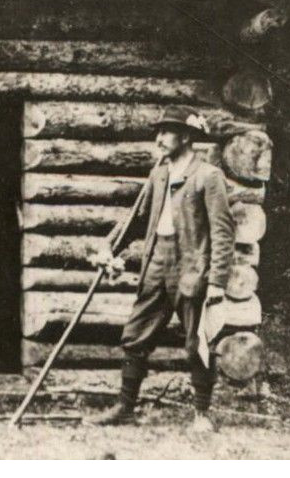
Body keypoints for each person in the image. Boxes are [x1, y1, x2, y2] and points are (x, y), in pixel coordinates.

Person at [85, 114, 234, 430]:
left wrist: (218, 281)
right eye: (159, 133)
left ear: (185, 137)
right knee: (136, 335)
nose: (159, 140)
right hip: (156, 262)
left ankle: (202, 415)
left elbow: (223, 232)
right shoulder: (159, 174)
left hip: (193, 268)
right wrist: (109, 246)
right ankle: (125, 408)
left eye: (166, 133)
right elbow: (137, 220)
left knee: (198, 341)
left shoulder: (208, 176)